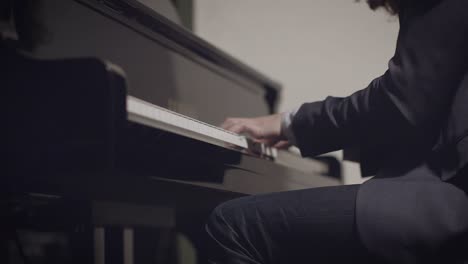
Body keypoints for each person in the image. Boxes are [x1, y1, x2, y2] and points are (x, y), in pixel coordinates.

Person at [205, 0, 468, 263]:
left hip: (453, 201)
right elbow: (424, 114)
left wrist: (291, 124)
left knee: (232, 226)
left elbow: (398, 105)